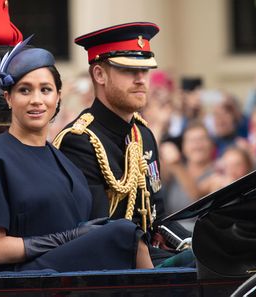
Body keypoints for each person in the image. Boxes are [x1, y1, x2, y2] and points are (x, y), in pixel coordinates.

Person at [0, 36, 153, 272]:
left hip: (66, 271)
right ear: (8, 98)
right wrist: (67, 238)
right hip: (24, 277)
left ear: (58, 97)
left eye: (45, 90)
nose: (37, 100)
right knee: (125, 234)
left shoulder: (60, 159)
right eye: (24, 90)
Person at [53, 23, 193, 266]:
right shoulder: (79, 140)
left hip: (150, 252)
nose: (141, 80)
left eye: (145, 71)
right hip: (113, 265)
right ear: (99, 75)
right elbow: (98, 231)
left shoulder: (143, 133)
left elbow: (158, 215)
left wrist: (189, 242)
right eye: (129, 71)